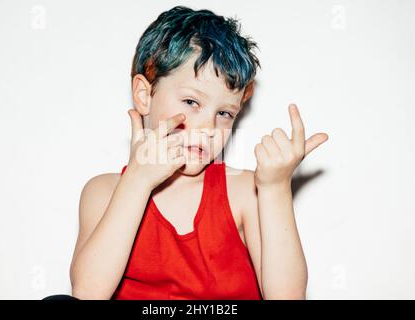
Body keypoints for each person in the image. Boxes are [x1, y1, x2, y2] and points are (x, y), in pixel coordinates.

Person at [49, 5, 328, 300]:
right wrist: (138, 181)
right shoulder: (103, 192)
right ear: (145, 95)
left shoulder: (246, 192)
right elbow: (88, 293)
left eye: (224, 113)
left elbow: (287, 297)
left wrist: (275, 188)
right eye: (192, 102)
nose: (208, 126)